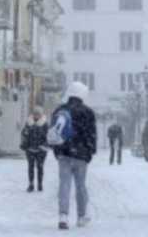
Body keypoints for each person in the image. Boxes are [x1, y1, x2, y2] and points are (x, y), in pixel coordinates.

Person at [50, 82, 97, 230]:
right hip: (81, 155)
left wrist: (57, 151)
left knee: (64, 184)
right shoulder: (87, 112)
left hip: (63, 153)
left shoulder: (60, 110)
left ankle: (63, 215)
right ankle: (81, 216)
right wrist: (90, 152)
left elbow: (54, 132)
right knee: (80, 185)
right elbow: (91, 135)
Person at [20, 106, 49, 192]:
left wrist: (45, 144)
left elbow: (48, 136)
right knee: (31, 167)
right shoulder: (29, 123)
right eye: (35, 114)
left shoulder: (45, 123)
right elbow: (24, 134)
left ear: (41, 115)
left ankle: (40, 184)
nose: (36, 116)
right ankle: (31, 184)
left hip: (41, 149)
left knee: (40, 167)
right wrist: (26, 141)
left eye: (38, 114)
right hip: (30, 149)